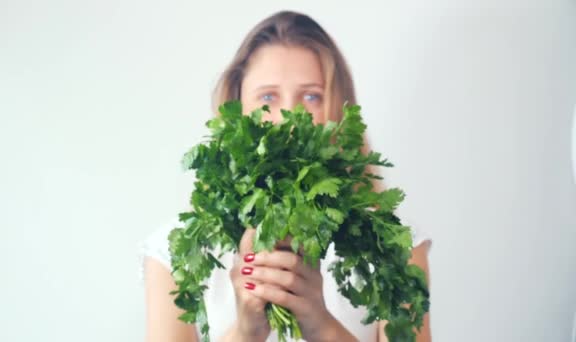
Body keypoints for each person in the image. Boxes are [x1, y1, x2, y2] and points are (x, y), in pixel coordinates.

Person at [139, 10, 433, 342]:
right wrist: (247, 331)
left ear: (340, 108)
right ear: (236, 109)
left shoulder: (395, 246)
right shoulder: (174, 253)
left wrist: (319, 323)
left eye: (311, 96)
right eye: (268, 97)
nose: (290, 119)